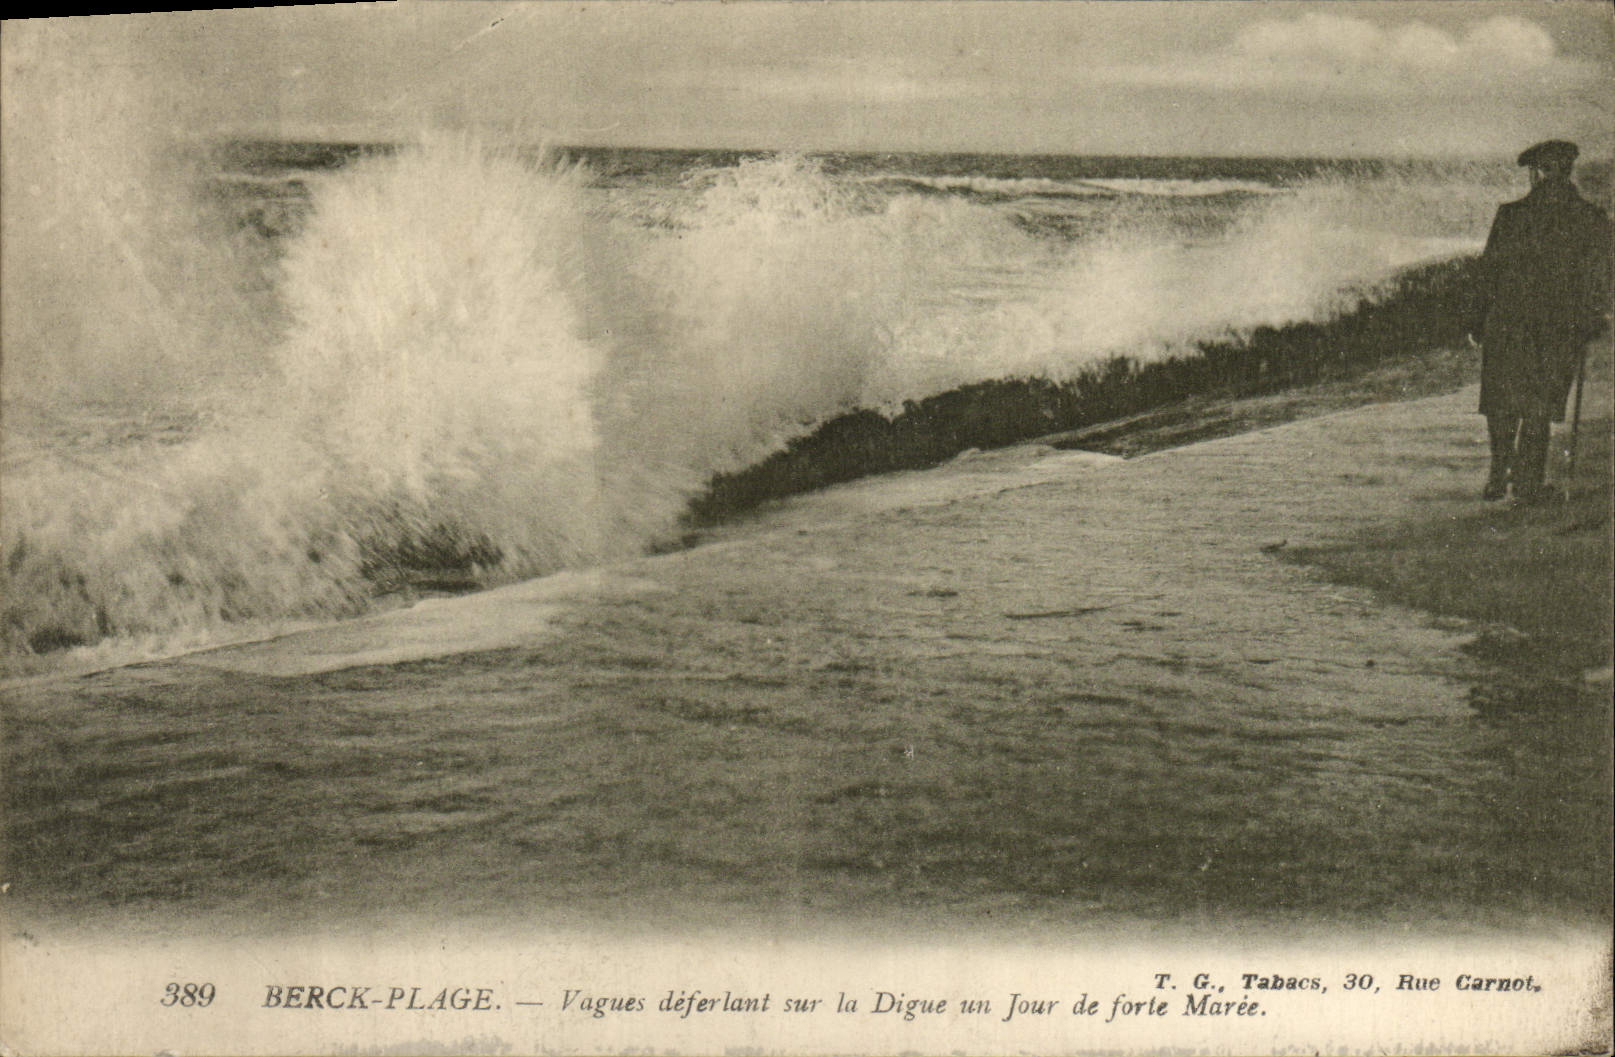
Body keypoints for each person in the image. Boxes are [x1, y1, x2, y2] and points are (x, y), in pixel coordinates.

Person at [1469, 139, 1611, 502]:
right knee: (1539, 403)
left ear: (1537, 173)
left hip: (1507, 321)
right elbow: (1601, 279)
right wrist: (1594, 319)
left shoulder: (1510, 214)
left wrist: (1476, 321)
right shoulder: (1593, 219)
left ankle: (1499, 471)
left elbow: (1488, 274)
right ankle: (1529, 481)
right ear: (1567, 171)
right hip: (1558, 326)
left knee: (1502, 399)